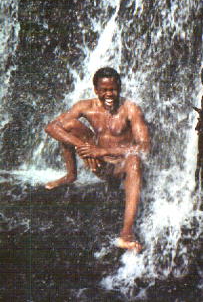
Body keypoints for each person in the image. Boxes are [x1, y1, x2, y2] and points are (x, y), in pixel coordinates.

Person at [44, 67, 150, 252]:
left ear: (120, 87)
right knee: (67, 125)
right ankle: (70, 175)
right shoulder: (85, 106)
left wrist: (101, 151)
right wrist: (83, 147)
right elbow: (51, 127)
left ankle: (126, 234)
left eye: (113, 89)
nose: (109, 94)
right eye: (104, 90)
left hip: (120, 165)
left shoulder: (130, 109)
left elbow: (144, 146)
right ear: (96, 90)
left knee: (134, 160)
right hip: (100, 163)